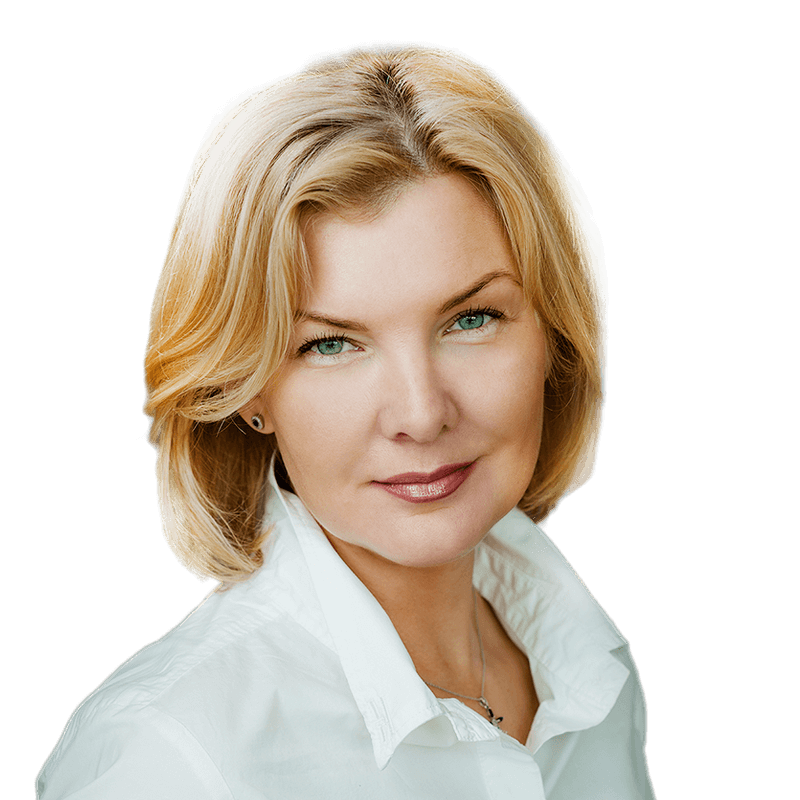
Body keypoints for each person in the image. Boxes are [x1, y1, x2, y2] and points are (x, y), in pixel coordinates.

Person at [37, 42, 656, 798]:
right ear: (245, 389)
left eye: (471, 319)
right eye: (331, 344)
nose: (421, 414)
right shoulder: (175, 758)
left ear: (555, 335)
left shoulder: (594, 668)